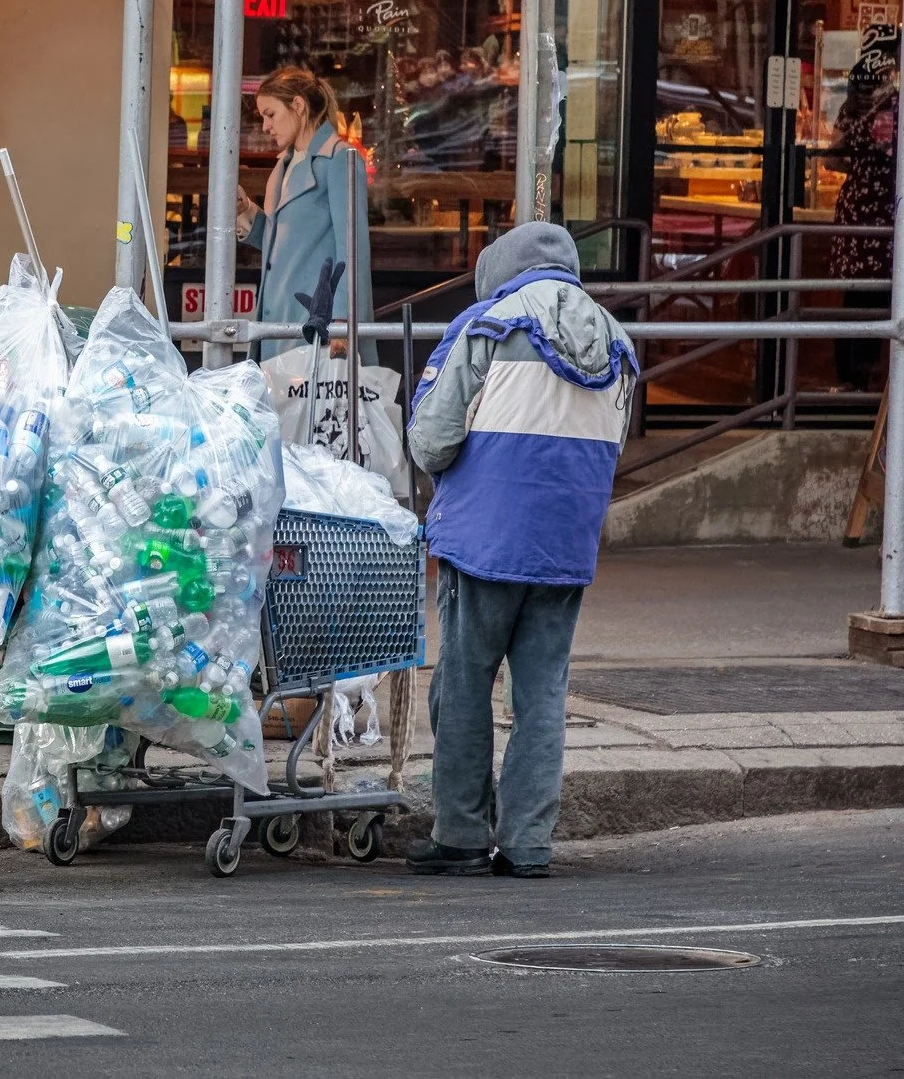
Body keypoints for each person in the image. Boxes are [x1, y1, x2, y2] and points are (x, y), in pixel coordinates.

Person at [403, 222, 637, 878]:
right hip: (564, 545)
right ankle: (529, 842)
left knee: (463, 687)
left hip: (483, 541)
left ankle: (460, 834)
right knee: (541, 698)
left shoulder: (487, 325)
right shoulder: (617, 342)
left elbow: (431, 440)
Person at [234, 67, 376, 363]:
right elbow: (288, 244)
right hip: (281, 322)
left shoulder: (339, 159)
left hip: (316, 326)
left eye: (270, 114)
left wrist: (342, 323)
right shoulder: (285, 165)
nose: (264, 126)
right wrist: (245, 211)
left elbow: (352, 252)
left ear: (298, 106)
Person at [829, 24, 899, 391]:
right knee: (874, 293)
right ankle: (864, 374)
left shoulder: (857, 98)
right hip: (879, 209)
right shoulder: (889, 105)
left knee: (856, 292)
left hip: (857, 205)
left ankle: (855, 375)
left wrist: (856, 166)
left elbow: (832, 157)